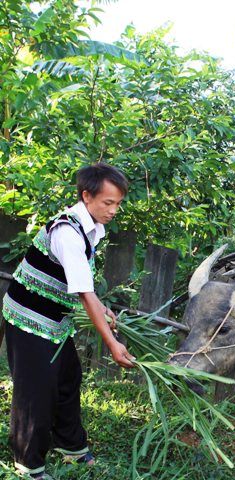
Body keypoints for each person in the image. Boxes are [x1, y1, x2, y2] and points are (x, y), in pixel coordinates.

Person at [1, 163, 135, 479]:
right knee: (36, 389)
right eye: (108, 202)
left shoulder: (91, 228)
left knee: (68, 377)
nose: (114, 210)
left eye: (118, 203)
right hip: (27, 315)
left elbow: (83, 286)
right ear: (87, 196)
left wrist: (104, 309)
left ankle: (69, 444)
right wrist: (112, 344)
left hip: (54, 318)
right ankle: (28, 462)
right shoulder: (67, 233)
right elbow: (85, 294)